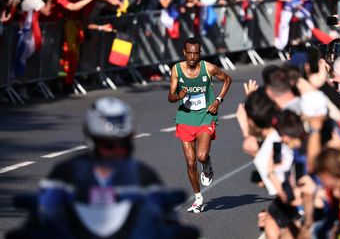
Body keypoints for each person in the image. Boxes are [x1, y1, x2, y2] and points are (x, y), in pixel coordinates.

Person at [7, 97, 199, 239]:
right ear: (92, 140)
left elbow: (165, 213)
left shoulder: (143, 175)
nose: (116, 151)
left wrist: (175, 228)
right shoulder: (66, 172)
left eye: (122, 144)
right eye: (108, 145)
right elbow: (44, 207)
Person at [168, 37, 232, 213]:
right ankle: (198, 198)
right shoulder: (176, 70)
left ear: (200, 53)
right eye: (189, 53)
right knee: (190, 162)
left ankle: (207, 165)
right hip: (185, 117)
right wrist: (179, 95)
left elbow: (228, 79)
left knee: (201, 156)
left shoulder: (208, 68)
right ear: (184, 52)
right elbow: (170, 97)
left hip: (205, 115)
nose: (192, 57)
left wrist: (218, 100)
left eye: (196, 53)